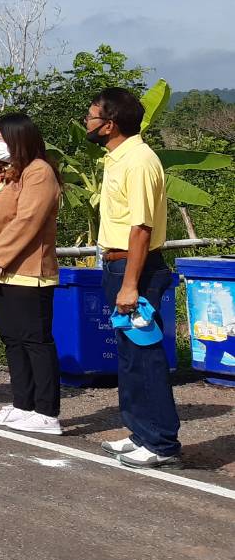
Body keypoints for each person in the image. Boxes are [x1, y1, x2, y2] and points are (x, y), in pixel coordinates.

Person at [87, 88, 181, 469]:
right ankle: (139, 431)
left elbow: (141, 227)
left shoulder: (139, 161)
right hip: (117, 265)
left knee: (145, 355)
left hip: (135, 268)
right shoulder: (116, 158)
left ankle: (160, 442)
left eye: (91, 116)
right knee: (128, 356)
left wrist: (129, 283)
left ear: (109, 124)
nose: (86, 122)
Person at [0, 113, 62, 433]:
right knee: (12, 339)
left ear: (20, 139)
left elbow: (28, 221)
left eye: (2, 138)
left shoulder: (39, 172)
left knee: (35, 340)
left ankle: (46, 412)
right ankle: (23, 404)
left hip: (28, 271)